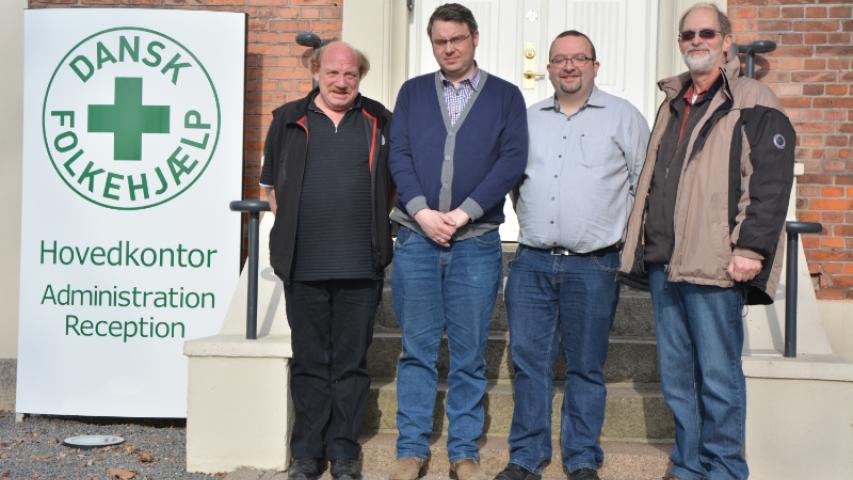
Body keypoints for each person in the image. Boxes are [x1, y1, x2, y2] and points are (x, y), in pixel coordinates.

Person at [619, 4, 795, 479]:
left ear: (726, 41)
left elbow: (770, 181)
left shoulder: (753, 98)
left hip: (715, 263)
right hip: (665, 261)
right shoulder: (673, 101)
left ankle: (724, 470)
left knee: (718, 378)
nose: (696, 40)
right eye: (688, 34)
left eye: (707, 33)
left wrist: (751, 248)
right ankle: (688, 467)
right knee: (678, 379)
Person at [494, 31, 649, 480]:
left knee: (585, 365)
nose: (569, 66)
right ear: (548, 69)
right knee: (530, 363)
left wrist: (628, 243)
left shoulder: (623, 117)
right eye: (560, 59)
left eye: (579, 58)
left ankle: (581, 457)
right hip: (533, 261)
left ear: (595, 66)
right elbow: (513, 181)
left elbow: (643, 185)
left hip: (594, 264)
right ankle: (526, 455)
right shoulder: (528, 120)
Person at [387, 3, 528, 480]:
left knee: (469, 354)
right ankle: (411, 450)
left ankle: (463, 452)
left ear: (475, 38)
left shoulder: (505, 96)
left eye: (457, 39)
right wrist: (422, 212)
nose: (449, 49)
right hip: (416, 240)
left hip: (476, 242)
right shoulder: (412, 93)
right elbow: (399, 155)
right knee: (417, 350)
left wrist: (463, 212)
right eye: (440, 41)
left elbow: (511, 161)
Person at [259, 41, 394, 480]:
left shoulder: (380, 120)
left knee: (352, 364)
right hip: (304, 264)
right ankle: (307, 452)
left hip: (361, 264)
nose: (341, 82)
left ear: (360, 77)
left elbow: (391, 187)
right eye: (333, 73)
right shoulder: (287, 119)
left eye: (350, 74)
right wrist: (296, 230)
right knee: (310, 361)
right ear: (316, 72)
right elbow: (270, 188)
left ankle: (344, 451)